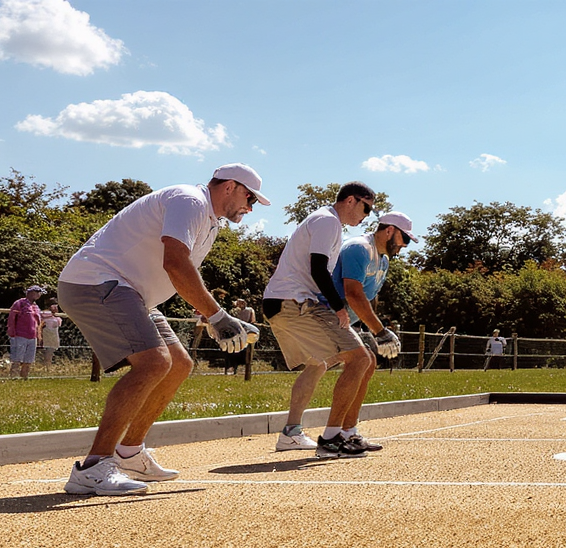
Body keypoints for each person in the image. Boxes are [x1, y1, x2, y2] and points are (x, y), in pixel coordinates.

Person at [55, 163, 266, 495]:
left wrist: (212, 316)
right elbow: (175, 263)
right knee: (155, 362)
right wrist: (217, 316)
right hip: (97, 281)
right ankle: (93, 468)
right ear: (230, 187)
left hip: (131, 293)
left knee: (178, 363)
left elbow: (182, 275)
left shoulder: (209, 222)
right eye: (250, 197)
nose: (250, 207)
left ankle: (129, 453)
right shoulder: (190, 201)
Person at [263, 182, 386, 457]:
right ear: (352, 200)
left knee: (319, 363)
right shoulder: (328, 221)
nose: (366, 216)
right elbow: (318, 268)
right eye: (366, 208)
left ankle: (291, 433)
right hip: (296, 303)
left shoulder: (327, 223)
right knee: (361, 359)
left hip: (282, 303)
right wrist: (338, 307)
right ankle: (333, 437)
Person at [7, 285, 44, 378]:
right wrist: (12, 333)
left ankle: (24, 377)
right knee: (17, 358)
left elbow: (38, 322)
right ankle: (13, 377)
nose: (39, 295)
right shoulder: (20, 303)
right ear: (31, 293)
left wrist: (39, 335)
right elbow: (12, 318)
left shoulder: (36, 306)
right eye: (38, 293)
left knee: (28, 360)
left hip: (33, 336)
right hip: (20, 335)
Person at [227, 298, 256, 375]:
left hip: (243, 331)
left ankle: (244, 369)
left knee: (244, 350)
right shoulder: (234, 311)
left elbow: (252, 320)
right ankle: (234, 368)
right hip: (238, 331)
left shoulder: (249, 310)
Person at [39, 300, 63, 367]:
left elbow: (58, 323)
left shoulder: (56, 317)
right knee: (47, 354)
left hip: (53, 337)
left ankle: (47, 367)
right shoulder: (45, 314)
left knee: (49, 353)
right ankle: (47, 367)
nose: (56, 308)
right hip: (46, 336)